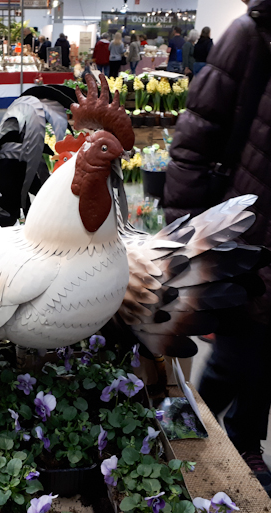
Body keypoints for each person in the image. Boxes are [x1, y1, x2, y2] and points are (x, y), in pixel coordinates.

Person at [163, 0, 271, 495]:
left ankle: (243, 444)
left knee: (260, 356)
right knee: (236, 351)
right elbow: (194, 142)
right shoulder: (253, 34)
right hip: (247, 234)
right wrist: (180, 239)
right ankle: (183, 447)